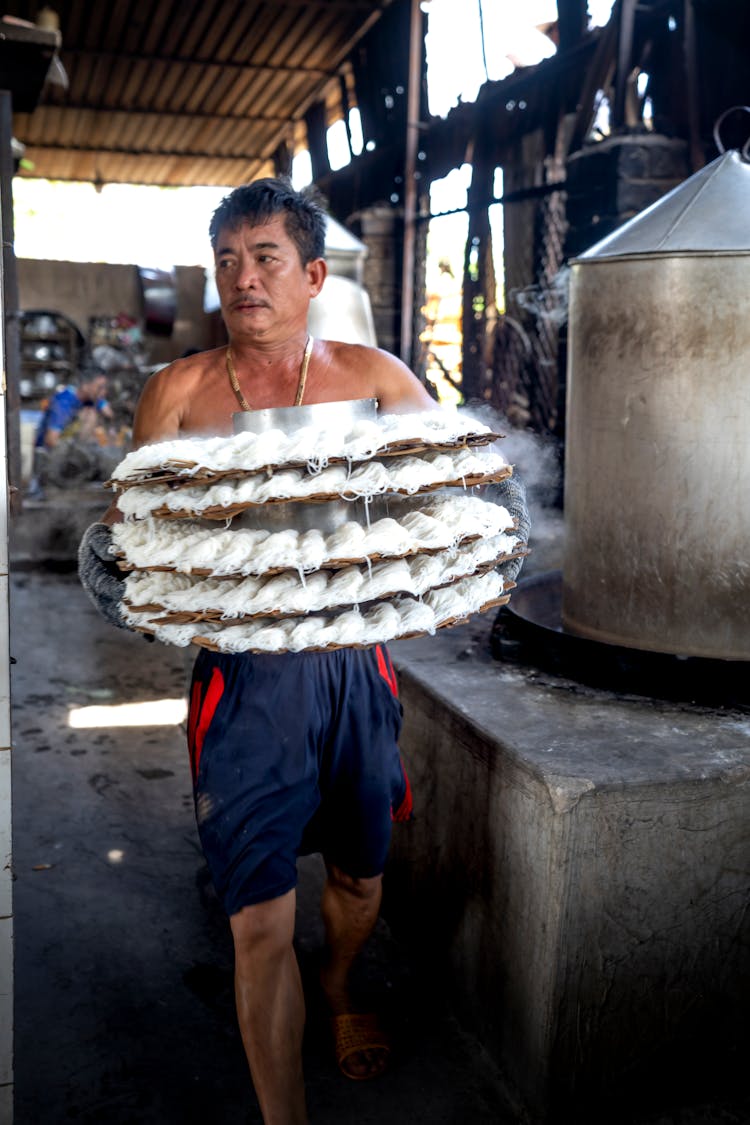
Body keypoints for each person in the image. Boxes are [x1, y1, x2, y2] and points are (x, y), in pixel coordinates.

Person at [78, 177, 529, 1125]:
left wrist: (455, 567)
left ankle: (339, 984)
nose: (244, 278)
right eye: (228, 262)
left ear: (313, 272)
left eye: (265, 257)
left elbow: (466, 492)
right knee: (258, 917)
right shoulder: (178, 393)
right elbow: (126, 540)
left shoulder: (375, 380)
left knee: (361, 874)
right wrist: (138, 589)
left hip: (355, 669)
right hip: (242, 685)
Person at [35, 370, 112, 450]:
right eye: (100, 388)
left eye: (105, 388)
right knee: (90, 414)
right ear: (85, 386)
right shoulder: (64, 402)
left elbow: (110, 414)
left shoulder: (90, 399)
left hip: (70, 448)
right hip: (50, 455)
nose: (104, 392)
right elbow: (51, 440)